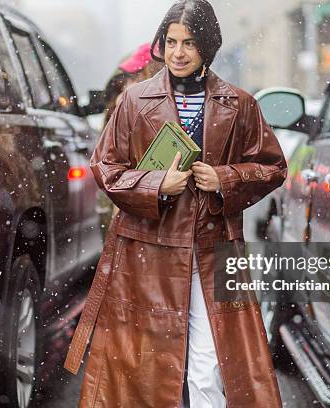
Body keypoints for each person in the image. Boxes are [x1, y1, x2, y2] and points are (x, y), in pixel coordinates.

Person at [64, 1, 286, 407]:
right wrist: (156, 185)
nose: (178, 52)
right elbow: (106, 167)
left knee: (207, 366)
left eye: (189, 43)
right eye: (171, 42)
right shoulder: (134, 100)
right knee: (146, 371)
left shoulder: (239, 104)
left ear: (208, 47)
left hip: (211, 248)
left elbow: (272, 167)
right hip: (147, 251)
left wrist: (226, 178)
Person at [96, 43, 164, 239]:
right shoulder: (122, 105)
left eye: (135, 77)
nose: (126, 85)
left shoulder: (158, 114)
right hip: (120, 210)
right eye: (127, 79)